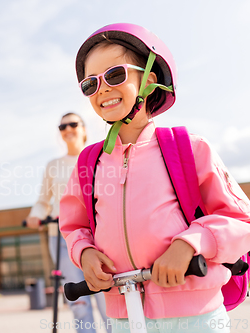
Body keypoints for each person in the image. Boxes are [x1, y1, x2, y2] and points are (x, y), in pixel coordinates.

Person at [59, 23, 250, 333]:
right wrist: (85, 252)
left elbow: (239, 218)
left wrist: (189, 244)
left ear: (148, 80)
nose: (103, 88)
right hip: (122, 315)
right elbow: (74, 225)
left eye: (115, 75)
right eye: (90, 84)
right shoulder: (89, 161)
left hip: (194, 316)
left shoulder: (188, 147)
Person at [26, 112, 110, 333]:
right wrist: (35, 215)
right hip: (62, 240)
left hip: (98, 238)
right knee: (79, 301)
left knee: (107, 299)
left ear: (83, 128)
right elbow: (43, 201)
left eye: (73, 124)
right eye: (62, 127)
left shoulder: (99, 156)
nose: (68, 129)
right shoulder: (53, 165)